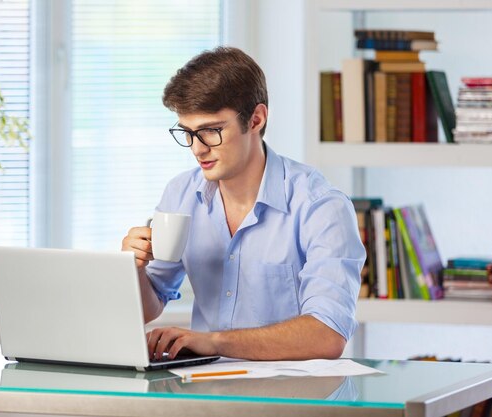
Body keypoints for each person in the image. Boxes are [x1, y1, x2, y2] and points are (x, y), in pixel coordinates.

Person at [121, 46, 365, 361]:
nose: (197, 149)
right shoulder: (180, 194)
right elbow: (148, 307)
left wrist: (215, 342)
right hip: (205, 393)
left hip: (292, 399)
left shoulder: (320, 206)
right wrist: (134, 269)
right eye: (188, 133)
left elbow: (327, 335)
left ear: (256, 119)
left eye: (211, 131)